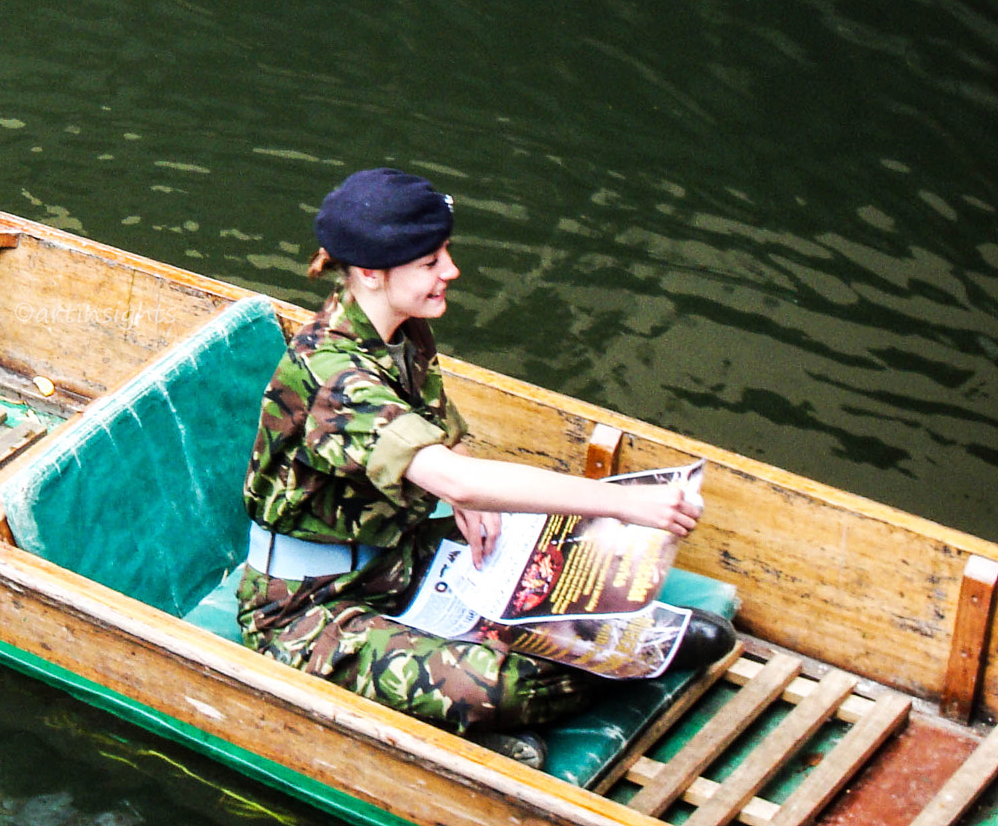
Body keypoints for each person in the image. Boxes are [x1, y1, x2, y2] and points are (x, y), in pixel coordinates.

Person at [239, 168, 733, 767]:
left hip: (404, 553)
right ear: (371, 272)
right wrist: (624, 501)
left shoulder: (400, 328)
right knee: (509, 686)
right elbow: (455, 479)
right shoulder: (332, 377)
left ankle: (609, 646)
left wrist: (473, 502)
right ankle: (520, 696)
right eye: (430, 262)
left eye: (445, 253)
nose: (450, 271)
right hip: (311, 608)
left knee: (565, 554)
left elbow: (444, 438)